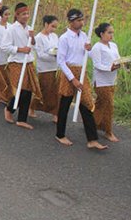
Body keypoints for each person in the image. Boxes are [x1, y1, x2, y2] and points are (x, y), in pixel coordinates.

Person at [55, 9, 107, 150]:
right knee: (65, 105)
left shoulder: (84, 36)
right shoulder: (64, 38)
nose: (81, 23)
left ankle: (92, 139)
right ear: (71, 22)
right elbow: (61, 61)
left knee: (86, 103)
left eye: (82, 20)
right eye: (78, 20)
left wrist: (88, 50)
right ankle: (60, 134)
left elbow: (87, 56)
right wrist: (72, 79)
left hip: (81, 71)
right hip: (68, 73)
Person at [3, 3, 41, 129]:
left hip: (28, 62)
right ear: (17, 15)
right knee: (22, 90)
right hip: (16, 62)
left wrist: (32, 38)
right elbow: (5, 47)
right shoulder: (12, 29)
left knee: (28, 90)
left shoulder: (29, 29)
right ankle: (9, 109)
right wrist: (20, 49)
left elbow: (34, 47)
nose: (26, 16)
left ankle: (22, 119)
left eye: (27, 14)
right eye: (23, 14)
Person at [90, 22, 121, 142]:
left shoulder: (113, 45)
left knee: (101, 104)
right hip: (101, 81)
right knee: (109, 105)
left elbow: (118, 59)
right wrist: (110, 68)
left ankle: (92, 123)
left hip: (112, 80)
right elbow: (97, 65)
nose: (111, 35)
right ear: (102, 34)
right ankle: (108, 131)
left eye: (112, 33)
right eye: (109, 32)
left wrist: (124, 64)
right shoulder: (97, 47)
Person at [33, 15, 60, 122]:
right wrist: (53, 56)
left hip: (54, 67)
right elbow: (40, 54)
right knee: (45, 90)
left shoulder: (54, 36)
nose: (53, 29)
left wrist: (57, 54)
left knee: (54, 91)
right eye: (52, 26)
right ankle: (34, 106)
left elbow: (58, 49)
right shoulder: (38, 38)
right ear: (46, 24)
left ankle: (54, 112)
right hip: (44, 68)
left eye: (55, 27)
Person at [0, 5, 12, 104]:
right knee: (2, 76)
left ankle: (6, 94)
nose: (7, 16)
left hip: (10, 55)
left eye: (9, 14)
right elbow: (0, 44)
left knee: (9, 77)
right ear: (0, 15)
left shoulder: (11, 26)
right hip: (0, 55)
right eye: (5, 14)